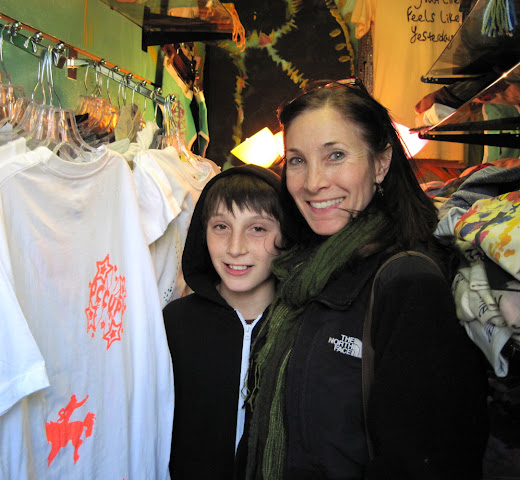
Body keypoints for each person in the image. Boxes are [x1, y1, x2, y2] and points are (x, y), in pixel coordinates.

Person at [241, 79, 490, 480]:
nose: (313, 182)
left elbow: (427, 462)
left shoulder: (408, 283)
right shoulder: (299, 271)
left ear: (381, 163)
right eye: (297, 160)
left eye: (335, 155)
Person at [163, 165, 288, 480]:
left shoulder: (303, 328)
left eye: (257, 228)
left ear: (287, 236)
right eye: (221, 226)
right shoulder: (173, 324)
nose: (235, 247)